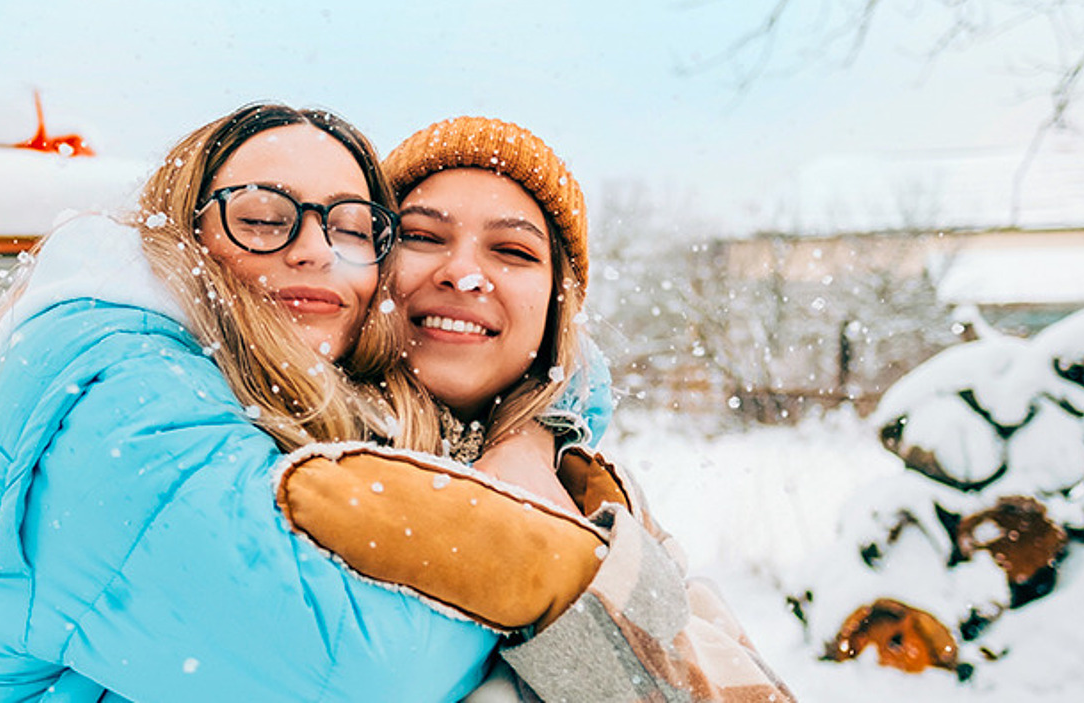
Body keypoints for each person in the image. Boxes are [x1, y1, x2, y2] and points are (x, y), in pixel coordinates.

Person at [0, 103, 510, 701]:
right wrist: (519, 498)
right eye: (261, 218)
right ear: (184, 235)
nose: (314, 250)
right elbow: (363, 674)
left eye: (351, 227)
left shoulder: (296, 401)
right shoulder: (116, 397)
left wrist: (537, 414)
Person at [277, 116, 796, 702]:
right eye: (422, 237)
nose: (464, 274)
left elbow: (741, 687)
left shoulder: (590, 493)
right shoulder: (280, 437)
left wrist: (563, 577)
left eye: (512, 250)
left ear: (555, 306)